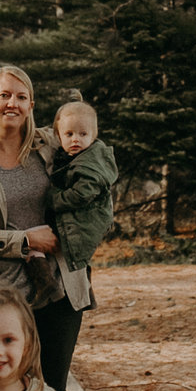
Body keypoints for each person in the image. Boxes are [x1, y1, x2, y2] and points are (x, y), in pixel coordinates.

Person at [0, 65, 91, 391]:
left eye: (21, 97)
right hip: (1, 291)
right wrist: (26, 240)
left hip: (60, 285)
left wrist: (86, 232)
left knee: (52, 390)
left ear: (31, 106)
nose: (12, 103)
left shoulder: (53, 146)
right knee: (1, 389)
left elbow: (95, 175)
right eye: (4, 95)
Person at [47, 101, 119, 289]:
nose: (75, 140)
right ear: (58, 136)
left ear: (94, 136)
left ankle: (76, 282)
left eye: (83, 134)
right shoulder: (71, 156)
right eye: (69, 134)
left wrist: (52, 199)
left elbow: (81, 195)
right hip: (82, 218)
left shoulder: (91, 164)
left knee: (75, 250)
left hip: (88, 220)